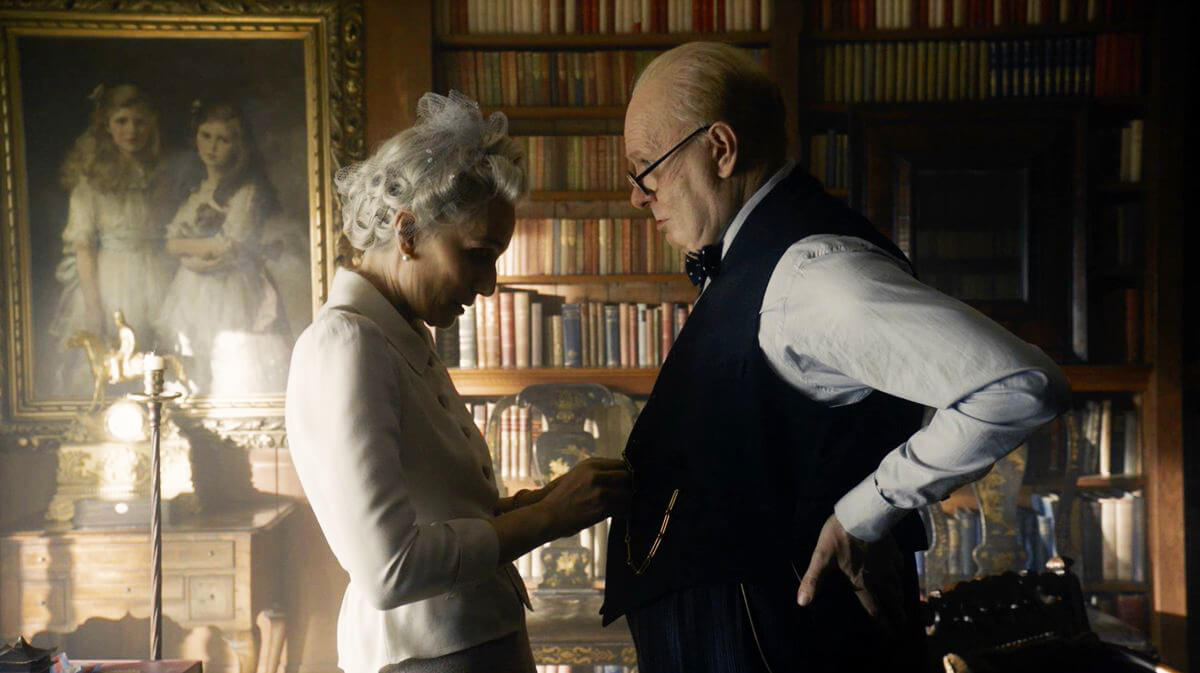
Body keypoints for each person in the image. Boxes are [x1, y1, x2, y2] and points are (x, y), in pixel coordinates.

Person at [601, 42, 1071, 672]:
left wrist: (862, 515)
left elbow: (1019, 384)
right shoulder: (754, 259)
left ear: (720, 148)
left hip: (781, 639)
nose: (638, 196)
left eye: (646, 168)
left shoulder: (814, 277)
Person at [285, 91, 631, 673]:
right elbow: (389, 570)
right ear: (407, 232)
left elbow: (438, 510)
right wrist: (548, 519)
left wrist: (539, 503)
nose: (489, 284)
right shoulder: (347, 344)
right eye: (477, 255)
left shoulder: (400, 334)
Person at [156, 100, 291, 395]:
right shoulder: (196, 190)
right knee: (193, 359)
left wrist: (187, 251)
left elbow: (228, 245)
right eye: (206, 136)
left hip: (233, 288)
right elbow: (170, 241)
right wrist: (189, 252)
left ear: (238, 146)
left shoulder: (247, 192)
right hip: (191, 289)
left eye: (223, 140)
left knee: (233, 361)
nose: (212, 147)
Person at [49, 83, 174, 396]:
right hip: (113, 277)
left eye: (139, 122)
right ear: (106, 125)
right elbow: (83, 246)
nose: (131, 130)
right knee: (112, 359)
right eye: (122, 121)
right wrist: (94, 306)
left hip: (155, 271)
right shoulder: (90, 180)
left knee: (155, 359)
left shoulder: (157, 173)